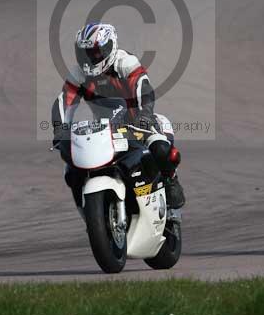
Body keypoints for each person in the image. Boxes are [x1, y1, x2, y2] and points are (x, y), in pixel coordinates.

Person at [50, 22, 185, 209]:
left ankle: (171, 179)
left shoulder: (124, 62)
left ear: (109, 47)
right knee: (73, 169)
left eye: (96, 52)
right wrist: (60, 130)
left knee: (161, 149)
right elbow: (65, 101)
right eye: (85, 53)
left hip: (138, 122)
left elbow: (142, 88)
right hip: (105, 128)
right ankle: (94, 210)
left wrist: (144, 114)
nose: (90, 58)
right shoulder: (79, 74)